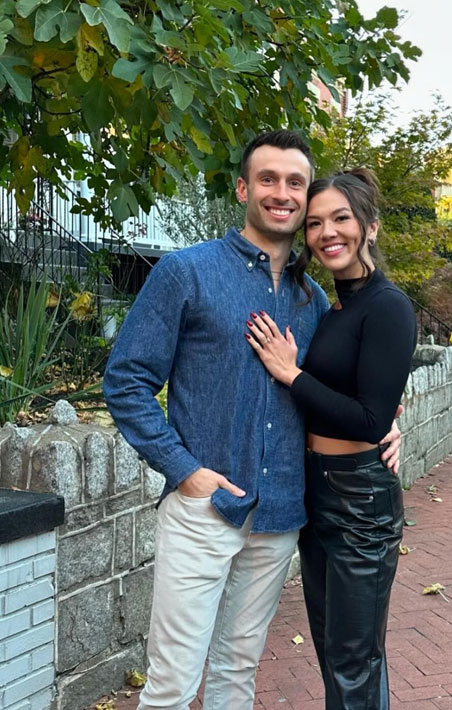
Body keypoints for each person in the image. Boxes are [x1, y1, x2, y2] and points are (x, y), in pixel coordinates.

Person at [102, 132, 401, 710]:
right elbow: (127, 380)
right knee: (171, 684)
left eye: (295, 183)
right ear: (243, 188)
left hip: (282, 514)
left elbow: (352, 391)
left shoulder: (314, 301)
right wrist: (185, 471)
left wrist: (389, 422)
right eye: (268, 179)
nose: (282, 194)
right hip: (205, 508)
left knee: (236, 672)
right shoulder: (185, 273)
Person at [245, 169, 417, 709]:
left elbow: (368, 419)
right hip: (316, 491)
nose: (327, 232)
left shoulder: (388, 305)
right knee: (341, 653)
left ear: (370, 226)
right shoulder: (332, 305)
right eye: (315, 222)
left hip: (360, 498)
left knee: (351, 659)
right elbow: (366, 396)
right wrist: (391, 414)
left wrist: (291, 374)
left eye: (340, 218)